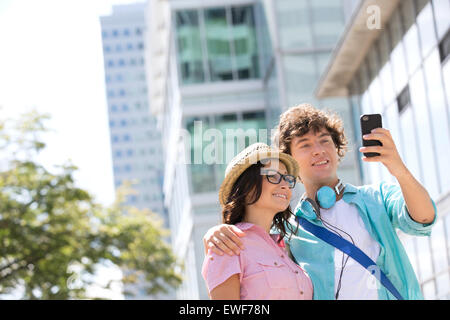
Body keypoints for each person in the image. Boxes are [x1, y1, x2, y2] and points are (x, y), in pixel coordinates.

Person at [203, 103, 437, 300]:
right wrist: (215, 232)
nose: (318, 150)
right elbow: (251, 237)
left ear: (337, 150)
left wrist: (398, 168)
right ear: (290, 160)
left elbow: (424, 217)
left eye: (325, 141)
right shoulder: (287, 230)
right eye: (305, 145)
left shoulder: (377, 197)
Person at [201, 143, 313, 300]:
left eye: (287, 178)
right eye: (273, 175)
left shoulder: (287, 248)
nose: (285, 185)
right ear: (247, 185)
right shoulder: (228, 244)